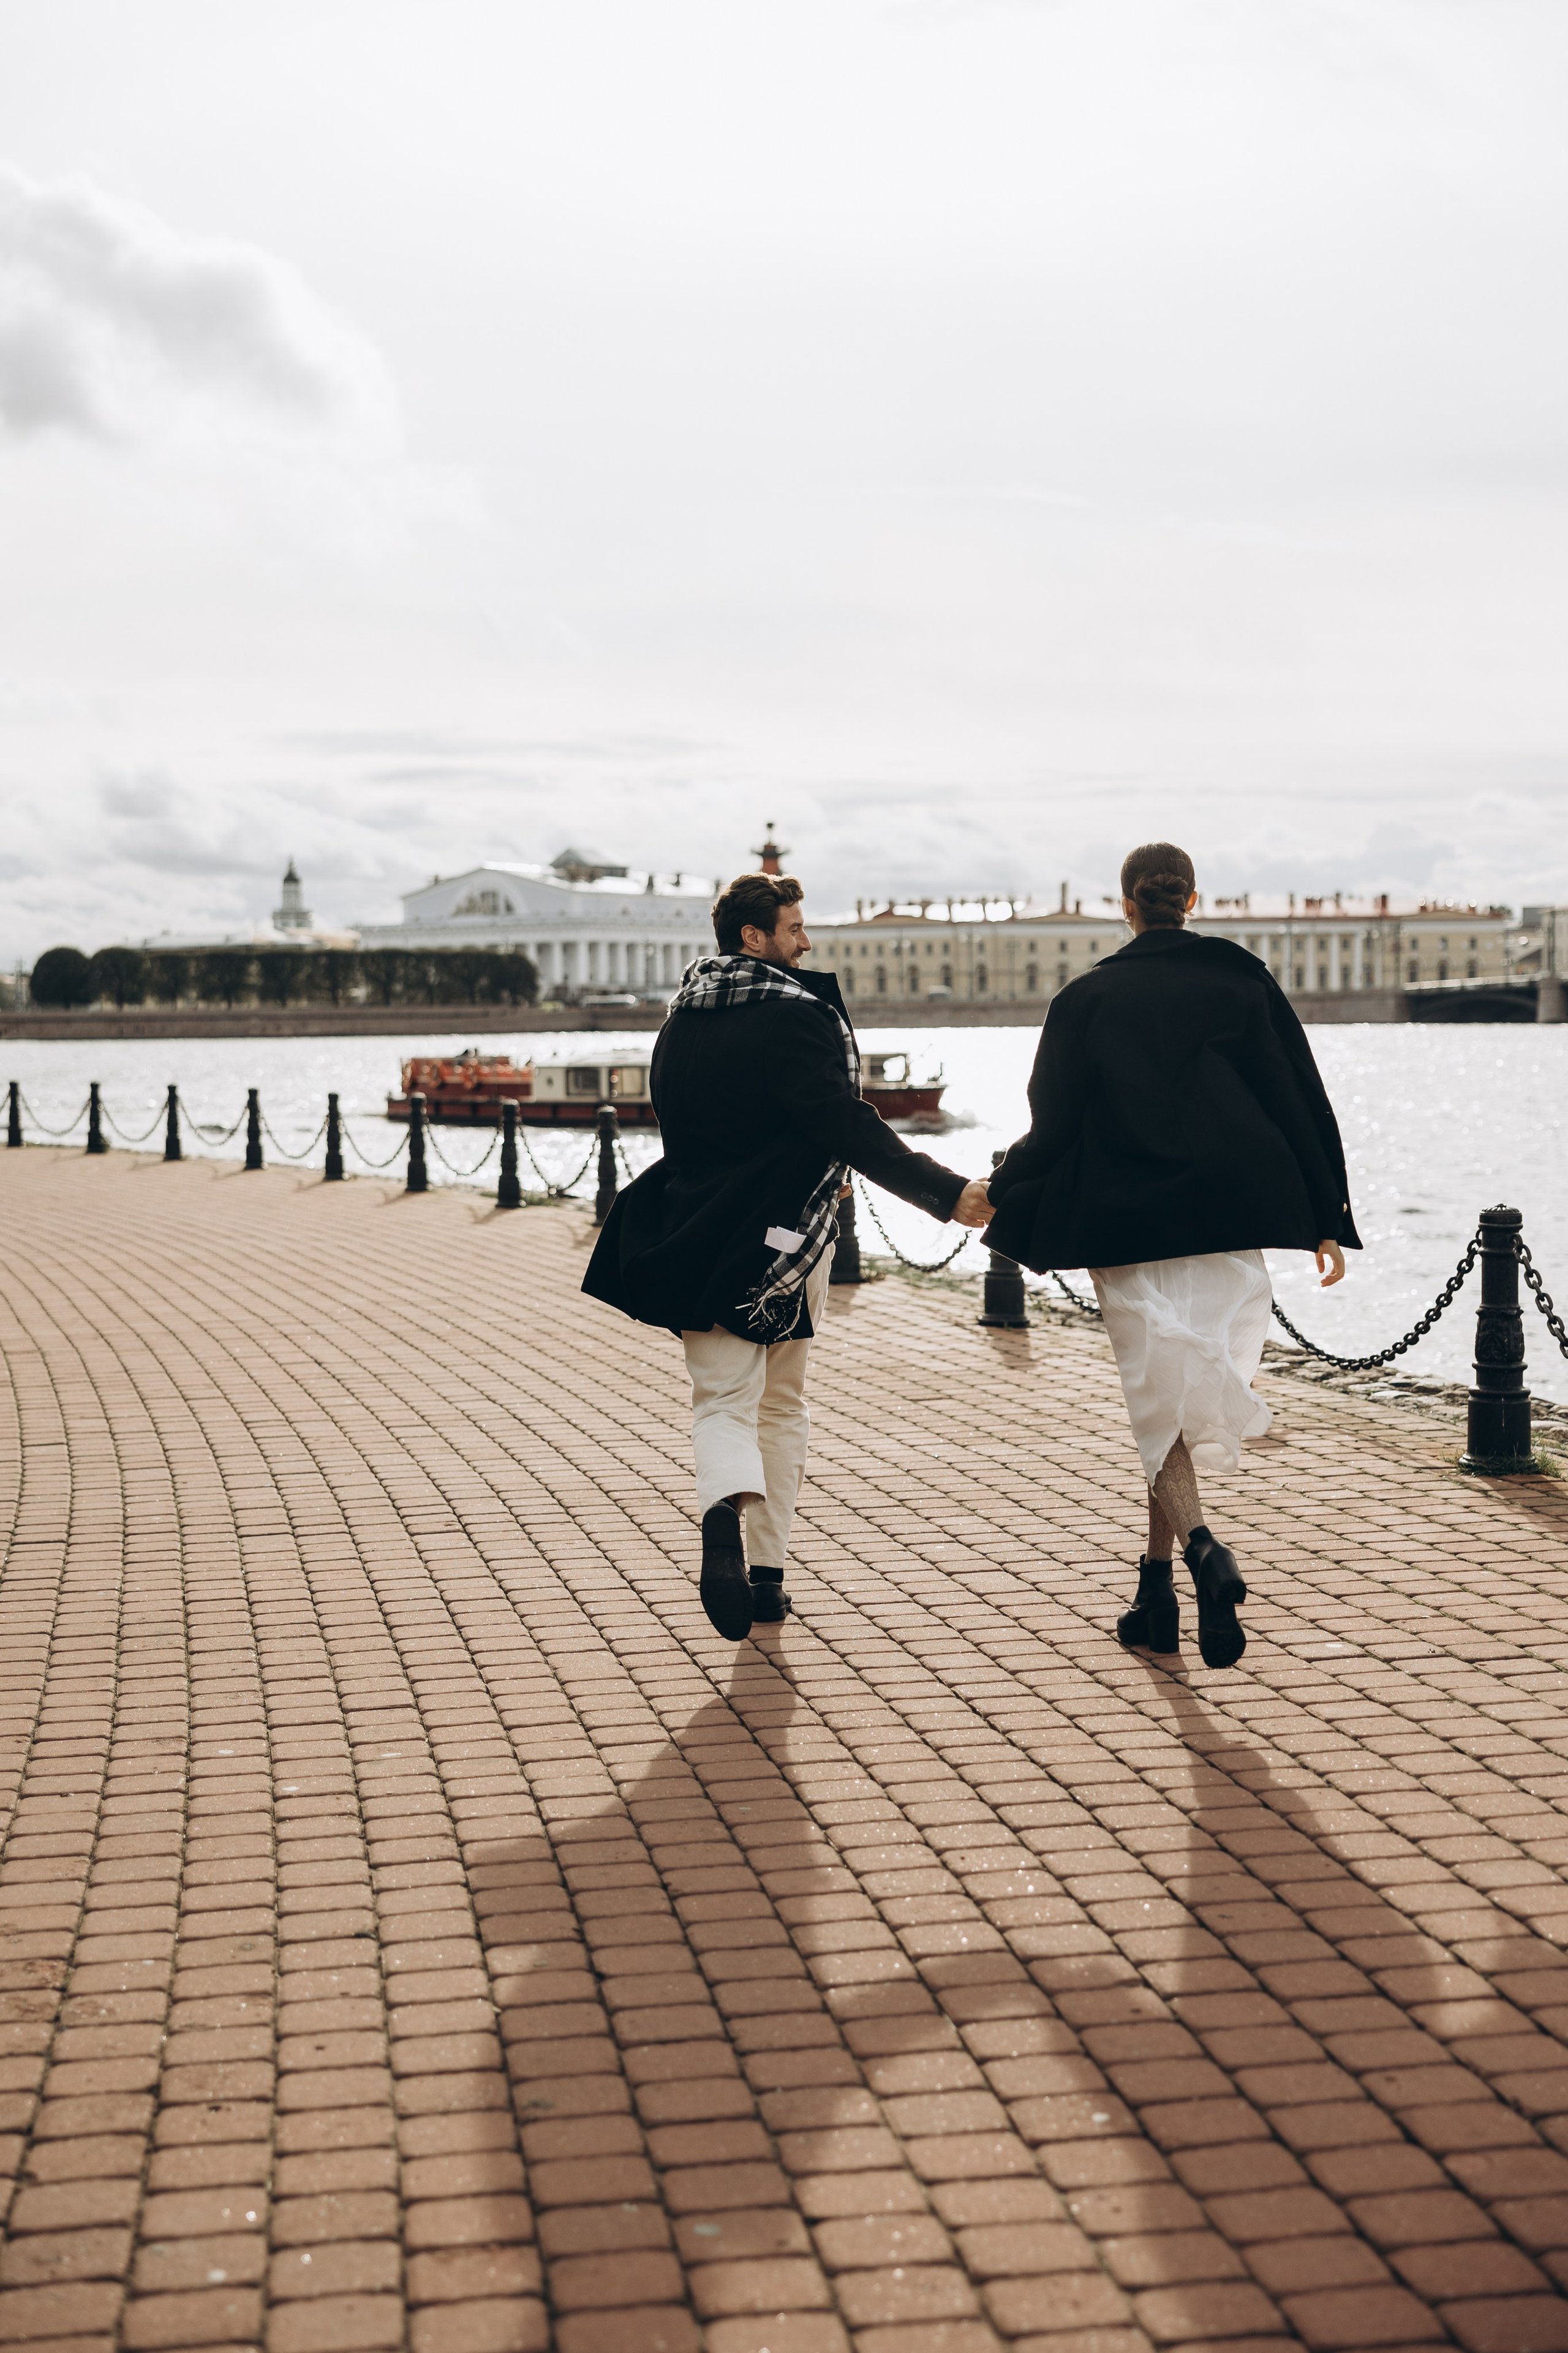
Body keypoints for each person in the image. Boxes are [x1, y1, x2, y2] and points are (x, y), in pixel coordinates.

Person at [583, 870, 992, 1641]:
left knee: (721, 1401)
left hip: (694, 1237)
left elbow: (688, 1127)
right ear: (755, 936)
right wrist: (947, 1193)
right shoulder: (795, 1018)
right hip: (787, 1243)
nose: (807, 942)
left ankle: (720, 1530)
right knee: (782, 1406)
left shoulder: (682, 1020)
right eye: (795, 928)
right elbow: (843, 1124)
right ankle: (765, 1576)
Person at [982, 841, 1359, 1669]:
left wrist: (999, 1187)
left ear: (1126, 905)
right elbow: (1296, 1091)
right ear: (1195, 899)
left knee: (1159, 1408)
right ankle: (1156, 1593)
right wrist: (1328, 1210)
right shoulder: (1241, 977)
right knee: (1173, 1402)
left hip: (1131, 1224)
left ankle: (1203, 1551)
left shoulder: (1088, 998)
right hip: (1233, 1213)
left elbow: (1055, 1124)